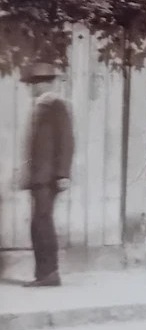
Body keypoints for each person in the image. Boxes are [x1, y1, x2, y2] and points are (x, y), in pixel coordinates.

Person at [21, 86, 75, 288]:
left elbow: (67, 141)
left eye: (38, 82)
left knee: (42, 223)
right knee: (38, 224)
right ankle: (44, 274)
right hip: (39, 178)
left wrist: (63, 174)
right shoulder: (40, 107)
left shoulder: (56, 106)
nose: (35, 86)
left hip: (49, 178)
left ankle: (50, 273)